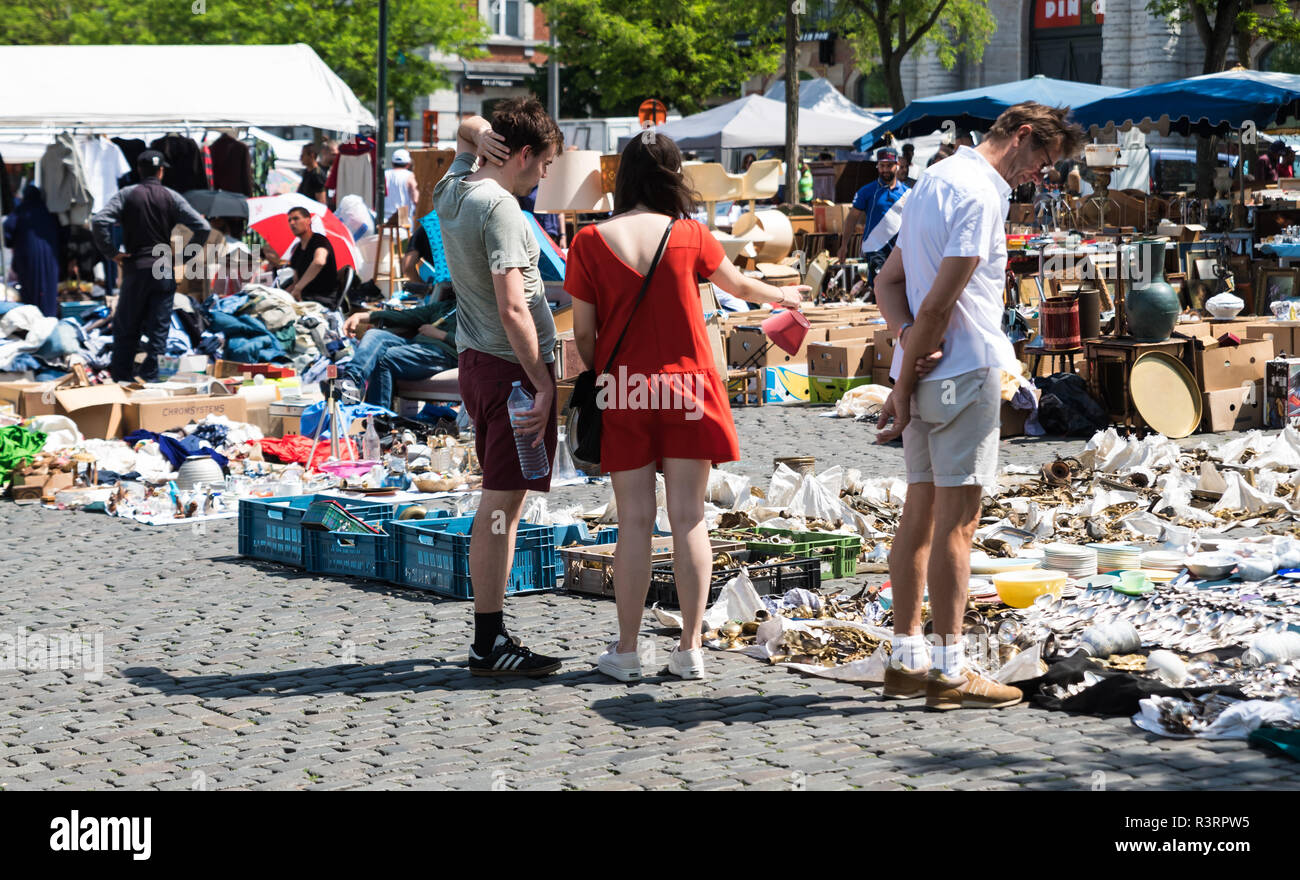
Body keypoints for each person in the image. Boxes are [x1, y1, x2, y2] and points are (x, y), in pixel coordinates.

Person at [567, 132, 807, 682]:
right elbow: (739, 284)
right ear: (673, 175)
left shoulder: (588, 242)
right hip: (690, 389)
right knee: (689, 518)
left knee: (632, 522)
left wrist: (608, 374)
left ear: (622, 176)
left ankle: (627, 651)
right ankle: (691, 649)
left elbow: (584, 334)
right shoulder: (691, 233)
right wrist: (783, 298)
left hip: (624, 389)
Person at [872, 102, 1084, 710]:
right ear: (1022, 138)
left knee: (919, 511)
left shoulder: (933, 179)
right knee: (958, 522)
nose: (1039, 175)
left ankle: (906, 657)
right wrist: (909, 370)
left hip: (925, 369)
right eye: (1043, 160)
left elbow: (890, 283)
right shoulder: (981, 193)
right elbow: (940, 304)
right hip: (962, 372)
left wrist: (903, 349)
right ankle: (948, 667)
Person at [433, 97, 564, 677]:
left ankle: (490, 634)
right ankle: (488, 640)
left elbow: (463, 131)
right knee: (501, 506)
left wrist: (475, 134)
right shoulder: (502, 207)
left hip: (476, 361)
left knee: (499, 500)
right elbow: (514, 307)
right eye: (544, 165)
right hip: (509, 370)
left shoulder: (454, 189)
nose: (546, 177)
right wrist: (542, 383)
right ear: (525, 155)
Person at [91, 150, 210, 383]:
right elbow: (202, 226)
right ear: (161, 171)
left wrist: (112, 253)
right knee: (159, 330)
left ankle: (121, 380)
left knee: (127, 328)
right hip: (163, 268)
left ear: (139, 170)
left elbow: (99, 220)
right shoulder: (171, 196)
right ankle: (151, 379)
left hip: (136, 267)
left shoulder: (127, 194)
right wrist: (184, 257)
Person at [341, 297, 457, 405]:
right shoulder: (447, 306)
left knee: (385, 358)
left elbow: (474, 342)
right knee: (374, 334)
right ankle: (350, 383)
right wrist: (364, 316)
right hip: (417, 346)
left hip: (443, 355)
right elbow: (408, 316)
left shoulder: (473, 311)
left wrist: (442, 335)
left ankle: (378, 419)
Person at [838, 147, 909, 263]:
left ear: (897, 165)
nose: (885, 169)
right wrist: (844, 245)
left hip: (899, 251)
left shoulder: (908, 193)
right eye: (882, 166)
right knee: (879, 281)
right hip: (874, 250)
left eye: (889, 165)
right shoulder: (866, 191)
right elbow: (852, 218)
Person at [3, 185, 60, 318]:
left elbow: (7, 231)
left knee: (30, 288)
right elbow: (63, 232)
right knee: (48, 288)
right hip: (51, 256)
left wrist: (12, 242)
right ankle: (48, 319)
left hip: (27, 257)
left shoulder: (20, 211)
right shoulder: (49, 212)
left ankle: (33, 320)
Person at [284, 206, 340, 306]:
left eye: (296, 218)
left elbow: (319, 261)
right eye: (289, 220)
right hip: (304, 298)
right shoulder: (297, 249)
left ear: (308, 220)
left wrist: (298, 288)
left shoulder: (319, 240)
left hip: (323, 299)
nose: (292, 223)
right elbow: (295, 281)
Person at [384, 148, 419, 220]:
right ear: (408, 164)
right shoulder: (409, 175)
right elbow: (415, 199)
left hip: (385, 217)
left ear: (392, 163)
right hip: (403, 218)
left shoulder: (385, 174)